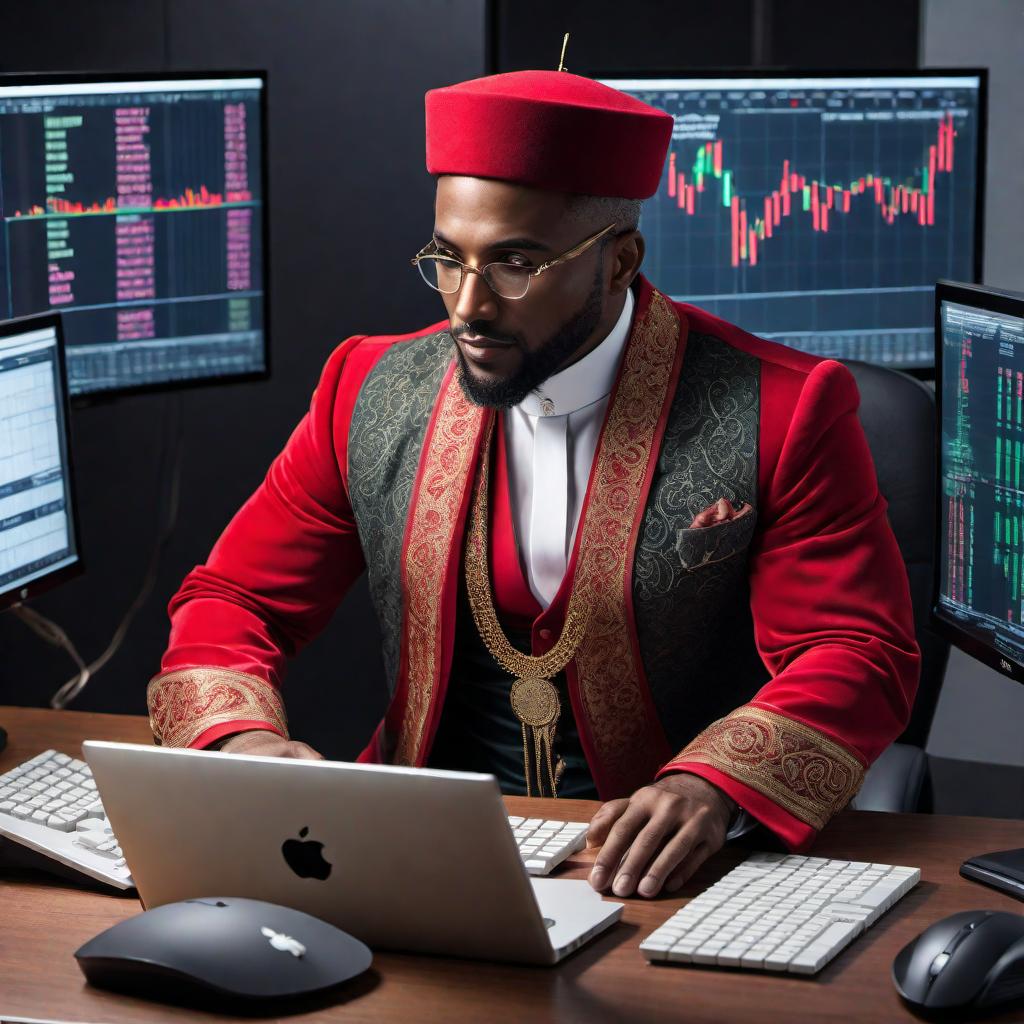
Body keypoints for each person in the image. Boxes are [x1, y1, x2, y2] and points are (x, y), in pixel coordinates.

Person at [148, 70, 920, 900]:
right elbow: (235, 597)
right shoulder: (366, 387)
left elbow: (856, 652)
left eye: (515, 263)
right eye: (448, 258)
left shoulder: (786, 407)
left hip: (668, 874)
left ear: (620, 261)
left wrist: (713, 788)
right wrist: (241, 743)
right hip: (409, 856)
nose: (468, 307)